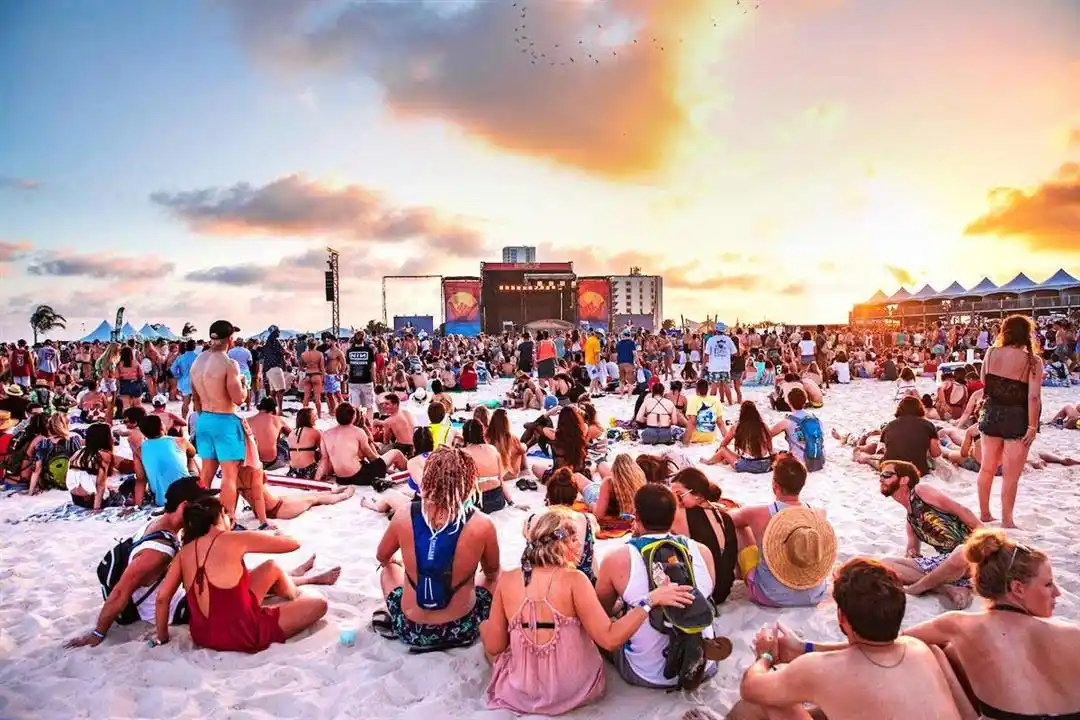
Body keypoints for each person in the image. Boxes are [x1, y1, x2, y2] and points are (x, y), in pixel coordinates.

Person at [481, 507, 695, 716]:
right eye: (576, 539)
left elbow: (495, 646)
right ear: (564, 543)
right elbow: (609, 640)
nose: (580, 545)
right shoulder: (574, 580)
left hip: (524, 692)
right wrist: (650, 601)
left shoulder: (507, 580)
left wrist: (486, 628)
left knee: (488, 632)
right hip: (576, 689)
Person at [730, 558, 968, 720]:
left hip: (775, 680)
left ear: (842, 617)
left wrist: (765, 655)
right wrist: (805, 648)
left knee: (760, 704)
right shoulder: (918, 648)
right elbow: (869, 649)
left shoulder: (818, 670)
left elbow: (750, 688)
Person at [904, 530, 1080, 719]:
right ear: (1018, 588)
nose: (1057, 593)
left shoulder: (959, 625)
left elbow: (898, 640)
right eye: (1048, 584)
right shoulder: (1073, 634)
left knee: (940, 651)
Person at [151, 495, 337, 653]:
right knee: (319, 603)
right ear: (220, 515)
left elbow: (162, 599)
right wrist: (277, 535)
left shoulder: (184, 553)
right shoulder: (234, 538)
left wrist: (163, 638)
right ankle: (295, 596)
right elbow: (293, 544)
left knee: (270, 567)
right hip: (243, 633)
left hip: (203, 636)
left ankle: (292, 592)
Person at [594, 483, 725, 689]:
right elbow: (705, 595)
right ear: (673, 517)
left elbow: (601, 610)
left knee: (603, 628)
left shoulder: (616, 559)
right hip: (705, 667)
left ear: (636, 516)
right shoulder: (702, 551)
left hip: (647, 673)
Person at [373, 448, 501, 651]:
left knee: (388, 569)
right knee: (495, 576)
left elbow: (382, 556)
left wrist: (401, 563)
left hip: (412, 628)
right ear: (468, 483)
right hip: (462, 627)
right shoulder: (482, 523)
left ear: (429, 478)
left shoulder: (404, 514)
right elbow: (492, 572)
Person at [64, 477, 214, 648]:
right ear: (184, 506)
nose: (207, 510)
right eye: (202, 505)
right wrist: (98, 633)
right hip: (171, 608)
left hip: (169, 596)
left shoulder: (159, 523)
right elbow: (121, 591)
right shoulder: (156, 551)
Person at [728, 454, 836, 607]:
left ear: (775, 485)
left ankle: (741, 572)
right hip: (813, 595)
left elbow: (728, 519)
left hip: (770, 595)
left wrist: (740, 509)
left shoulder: (757, 513)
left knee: (741, 529)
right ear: (802, 484)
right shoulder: (819, 514)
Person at [877, 460, 980, 609]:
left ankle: (921, 587)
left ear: (904, 480)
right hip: (948, 564)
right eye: (880, 474)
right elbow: (913, 552)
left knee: (961, 551)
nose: (881, 478)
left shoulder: (921, 491)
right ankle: (946, 588)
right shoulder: (911, 520)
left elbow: (960, 509)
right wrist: (911, 553)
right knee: (886, 564)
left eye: (887, 474)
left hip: (971, 553)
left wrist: (988, 537)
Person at [977, 315, 1043, 528]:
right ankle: (1007, 520)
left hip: (991, 413)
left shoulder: (991, 352)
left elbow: (984, 380)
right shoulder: (1033, 361)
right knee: (1010, 476)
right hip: (1017, 417)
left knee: (987, 468)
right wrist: (1032, 426)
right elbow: (1033, 397)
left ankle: (985, 514)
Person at [190, 320, 250, 522]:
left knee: (206, 473)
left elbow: (195, 398)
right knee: (229, 475)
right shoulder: (229, 363)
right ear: (231, 338)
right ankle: (227, 519)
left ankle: (197, 516)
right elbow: (238, 399)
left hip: (204, 419)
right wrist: (244, 385)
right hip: (224, 420)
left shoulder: (197, 361)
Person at [669, 468, 740, 606]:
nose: (675, 501)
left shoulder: (682, 515)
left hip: (702, 593)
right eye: (671, 496)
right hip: (723, 590)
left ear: (698, 495)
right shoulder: (723, 515)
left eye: (679, 495)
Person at [317, 402, 407, 485]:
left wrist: (316, 480)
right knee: (396, 453)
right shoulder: (358, 432)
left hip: (342, 479)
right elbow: (371, 457)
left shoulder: (326, 434)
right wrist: (383, 465)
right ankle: (411, 470)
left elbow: (324, 460)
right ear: (353, 416)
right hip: (360, 477)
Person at [857, 396, 941, 475]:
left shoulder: (889, 426)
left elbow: (883, 450)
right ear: (920, 409)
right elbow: (936, 453)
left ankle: (860, 455)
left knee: (869, 458)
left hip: (890, 467)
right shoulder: (928, 425)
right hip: (918, 470)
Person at [706, 400, 774, 473]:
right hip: (765, 465)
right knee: (742, 456)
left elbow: (723, 444)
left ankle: (708, 461)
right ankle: (724, 460)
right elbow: (770, 448)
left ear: (741, 413)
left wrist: (719, 452)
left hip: (747, 466)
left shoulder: (737, 427)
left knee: (722, 450)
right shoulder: (763, 426)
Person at [461, 419, 513, 514]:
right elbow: (501, 480)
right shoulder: (492, 449)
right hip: (498, 500)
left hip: (476, 502)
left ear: (464, 434)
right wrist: (511, 502)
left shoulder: (462, 453)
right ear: (482, 433)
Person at [247, 397, 290, 471]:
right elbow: (293, 435)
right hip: (272, 461)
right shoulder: (277, 419)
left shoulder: (248, 420)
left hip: (253, 461)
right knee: (284, 443)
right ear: (273, 408)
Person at [703, 324, 736, 403]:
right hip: (725, 366)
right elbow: (734, 352)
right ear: (724, 331)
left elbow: (706, 354)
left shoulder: (711, 340)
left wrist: (704, 365)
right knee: (726, 386)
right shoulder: (728, 339)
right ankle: (730, 403)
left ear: (716, 330)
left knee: (714, 386)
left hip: (714, 367)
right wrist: (726, 356)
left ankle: (711, 404)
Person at [346, 330, 376, 415]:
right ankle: (369, 421)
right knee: (369, 407)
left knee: (355, 408)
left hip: (353, 382)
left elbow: (348, 368)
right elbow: (373, 368)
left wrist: (348, 379)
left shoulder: (349, 351)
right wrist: (374, 381)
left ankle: (356, 422)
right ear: (364, 339)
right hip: (366, 381)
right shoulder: (369, 350)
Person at [286, 407, 321, 479]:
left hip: (293, 471)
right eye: (314, 416)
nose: (316, 418)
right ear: (308, 418)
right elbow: (324, 452)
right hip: (309, 470)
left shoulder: (292, 433)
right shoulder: (315, 432)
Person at [684, 378, 721, 445]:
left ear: (696, 390)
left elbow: (692, 422)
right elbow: (720, 423)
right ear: (708, 389)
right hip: (710, 438)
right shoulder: (716, 400)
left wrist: (685, 442)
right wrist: (727, 440)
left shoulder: (693, 400)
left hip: (695, 438)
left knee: (677, 431)